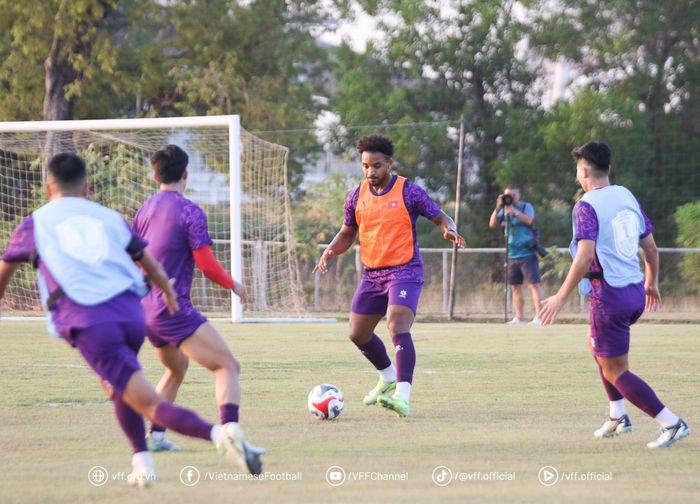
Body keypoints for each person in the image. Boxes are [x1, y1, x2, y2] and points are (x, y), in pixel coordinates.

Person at [0, 153, 262, 489]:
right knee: (123, 387)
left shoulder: (36, 223)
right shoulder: (109, 217)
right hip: (132, 313)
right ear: (87, 186)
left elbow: (5, 273)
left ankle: (222, 435)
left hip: (96, 321)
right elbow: (147, 261)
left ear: (48, 186)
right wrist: (167, 291)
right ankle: (142, 461)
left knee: (146, 400)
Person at [539, 141, 689, 448]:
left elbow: (584, 257)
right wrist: (652, 282)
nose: (577, 177)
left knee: (616, 370)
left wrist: (560, 296)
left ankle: (670, 423)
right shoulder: (626, 195)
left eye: (577, 171)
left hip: (609, 297)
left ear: (584, 171)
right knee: (596, 347)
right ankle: (617, 415)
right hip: (634, 291)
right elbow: (650, 247)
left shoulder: (586, 205)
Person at [313, 134, 465, 418]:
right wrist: (330, 251)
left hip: (405, 271)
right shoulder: (356, 196)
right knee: (357, 334)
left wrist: (449, 229)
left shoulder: (409, 191)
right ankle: (387, 375)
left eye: (377, 165)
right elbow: (347, 234)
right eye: (366, 166)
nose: (371, 172)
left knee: (397, 325)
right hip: (372, 275)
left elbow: (442, 217)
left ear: (389, 163)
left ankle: (402, 397)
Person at [131, 145, 262, 464]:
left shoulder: (144, 209)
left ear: (154, 174)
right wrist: (234, 284)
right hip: (171, 309)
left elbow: (134, 259)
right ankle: (233, 438)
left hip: (144, 308)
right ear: (186, 173)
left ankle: (158, 436)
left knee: (176, 367)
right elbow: (206, 265)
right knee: (228, 366)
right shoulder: (190, 211)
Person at [489, 185, 544, 325]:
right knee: (515, 286)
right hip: (512, 254)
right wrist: (497, 208)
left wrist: (514, 211)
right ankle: (519, 317)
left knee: (534, 285)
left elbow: (529, 220)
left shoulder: (526, 207)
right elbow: (492, 224)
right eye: (508, 195)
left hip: (527, 252)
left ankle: (540, 317)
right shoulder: (504, 211)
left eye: (513, 195)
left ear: (519, 196)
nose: (510, 198)